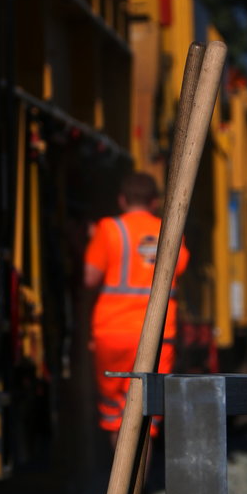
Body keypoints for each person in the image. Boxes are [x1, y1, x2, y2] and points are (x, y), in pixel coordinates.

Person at [83, 170, 189, 449]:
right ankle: (138, 488)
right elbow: (180, 269)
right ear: (154, 202)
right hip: (156, 335)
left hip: (112, 332)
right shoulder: (170, 230)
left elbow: (90, 278)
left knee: (116, 414)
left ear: (121, 200)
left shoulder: (108, 229)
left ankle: (121, 486)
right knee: (145, 415)